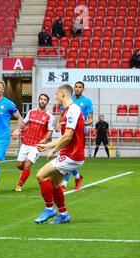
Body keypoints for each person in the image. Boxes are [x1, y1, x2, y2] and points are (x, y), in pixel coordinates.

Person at [35, 84, 85, 224]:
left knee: (41, 175)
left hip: (72, 155)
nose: (56, 97)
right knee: (55, 184)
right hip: (70, 154)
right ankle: (63, 214)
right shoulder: (68, 110)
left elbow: (68, 136)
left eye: (57, 94)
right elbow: (64, 137)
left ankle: (49, 208)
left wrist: (53, 151)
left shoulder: (73, 110)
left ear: (63, 94)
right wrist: (47, 145)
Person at [55, 81, 92, 191]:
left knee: (70, 157)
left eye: (80, 87)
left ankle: (64, 184)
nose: (77, 89)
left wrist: (79, 123)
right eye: (76, 87)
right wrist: (58, 123)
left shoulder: (87, 102)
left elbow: (90, 120)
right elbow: (62, 114)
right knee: (67, 156)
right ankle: (77, 177)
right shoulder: (69, 100)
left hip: (78, 134)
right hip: (66, 130)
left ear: (83, 89)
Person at [13, 94, 53, 192]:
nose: (42, 101)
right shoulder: (31, 112)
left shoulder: (49, 116)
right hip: (26, 142)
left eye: (45, 100)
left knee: (27, 164)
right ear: (38, 100)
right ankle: (25, 172)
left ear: (47, 102)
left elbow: (50, 131)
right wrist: (18, 130)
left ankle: (19, 186)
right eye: (41, 99)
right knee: (19, 165)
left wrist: (45, 139)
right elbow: (24, 123)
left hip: (36, 145)